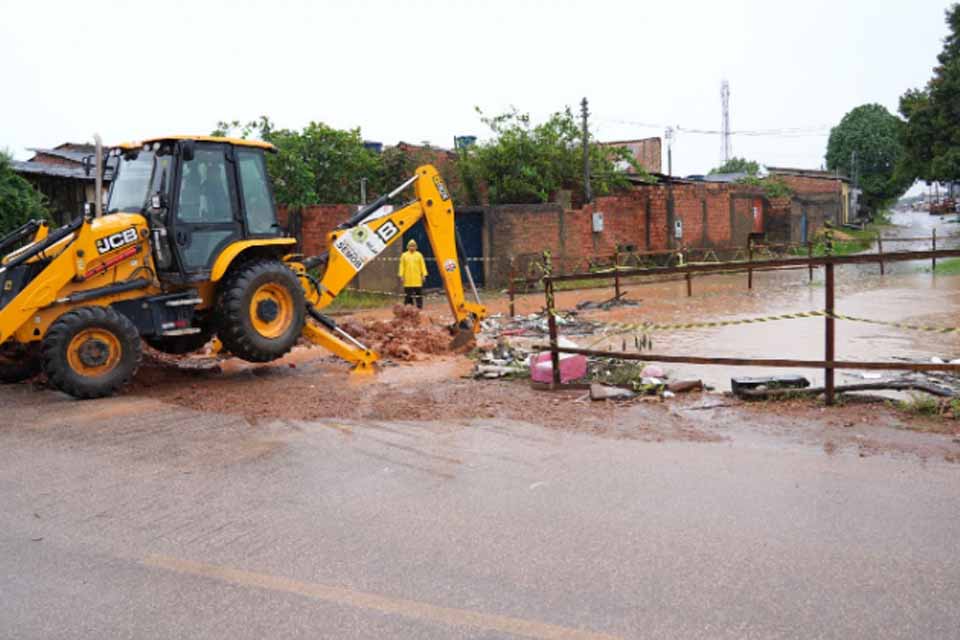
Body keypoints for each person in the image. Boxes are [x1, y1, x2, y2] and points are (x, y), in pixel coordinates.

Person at [398, 239, 428, 309]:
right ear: (408, 247)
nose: (412, 247)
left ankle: (419, 307)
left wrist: (423, 275)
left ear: (416, 247)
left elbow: (422, 265)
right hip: (407, 279)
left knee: (418, 294)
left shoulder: (419, 255)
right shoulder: (404, 255)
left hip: (417, 279)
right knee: (408, 295)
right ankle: (408, 307)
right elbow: (401, 266)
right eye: (410, 246)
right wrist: (401, 276)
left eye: (413, 246)